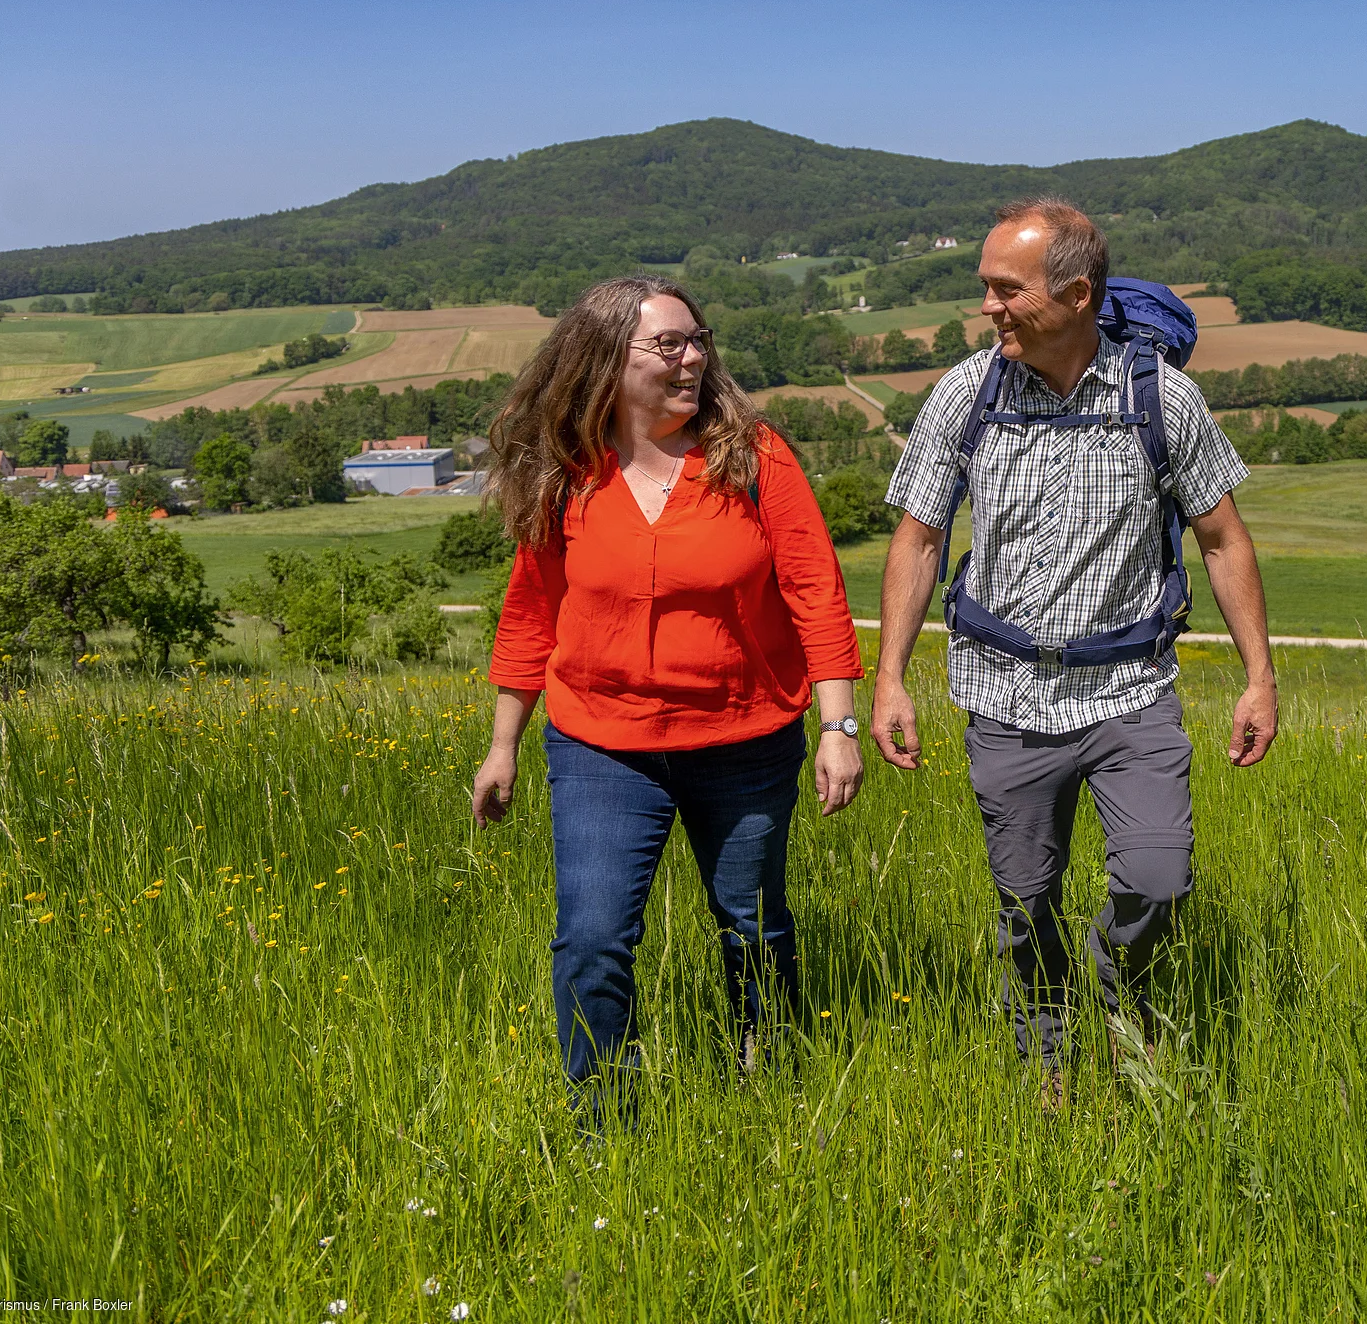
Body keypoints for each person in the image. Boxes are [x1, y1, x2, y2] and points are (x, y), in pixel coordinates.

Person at [872, 198, 1277, 1099]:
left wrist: (1260, 676)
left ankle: (1112, 988)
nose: (989, 307)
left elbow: (1223, 539)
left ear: (1078, 293)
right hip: (1005, 695)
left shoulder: (1160, 399)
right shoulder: (965, 392)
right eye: (985, 287)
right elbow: (920, 538)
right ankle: (1044, 1059)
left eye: (1006, 289)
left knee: (1158, 880)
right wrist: (890, 677)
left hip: (1130, 692)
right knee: (1024, 901)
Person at [473, 276, 864, 1106]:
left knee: (754, 928)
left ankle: (774, 1085)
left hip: (744, 742)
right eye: (669, 345)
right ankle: (603, 1119)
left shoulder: (755, 458)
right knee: (591, 939)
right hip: (600, 747)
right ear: (607, 361)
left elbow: (814, 589)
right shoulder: (569, 474)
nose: (693, 359)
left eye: (698, 341)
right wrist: (503, 744)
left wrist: (839, 725)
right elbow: (531, 612)